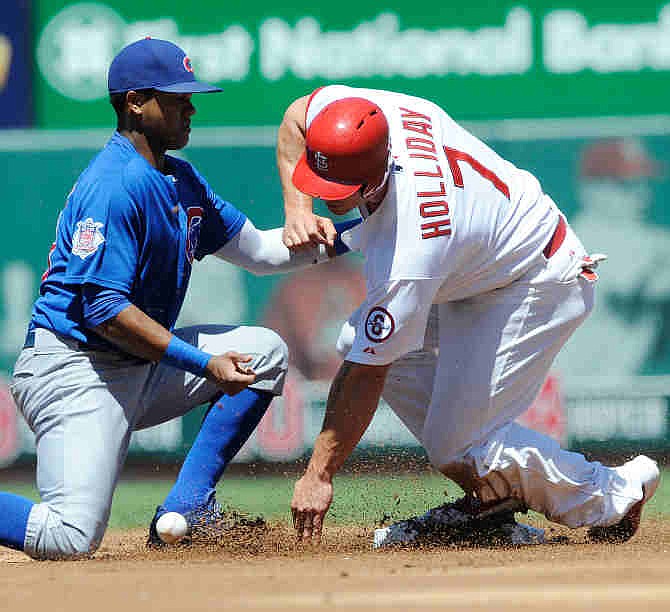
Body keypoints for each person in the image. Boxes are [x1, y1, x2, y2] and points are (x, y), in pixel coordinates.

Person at [0, 38, 341, 560]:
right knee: (68, 538)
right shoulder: (113, 185)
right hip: (76, 368)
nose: (191, 107)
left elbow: (262, 253)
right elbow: (105, 311)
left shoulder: (180, 180)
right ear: (135, 101)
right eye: (177, 97)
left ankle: (187, 508)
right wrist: (204, 363)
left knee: (265, 353)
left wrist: (357, 234)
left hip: (138, 365)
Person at [278, 84, 660, 547]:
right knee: (362, 346)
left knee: (456, 441)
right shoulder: (370, 118)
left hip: (533, 279)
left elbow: (366, 373)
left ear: (374, 176)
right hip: (477, 268)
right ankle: (491, 500)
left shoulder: (411, 249)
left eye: (332, 189)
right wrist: (297, 209)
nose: (320, 193)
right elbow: (298, 115)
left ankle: (615, 493)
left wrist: (319, 474)